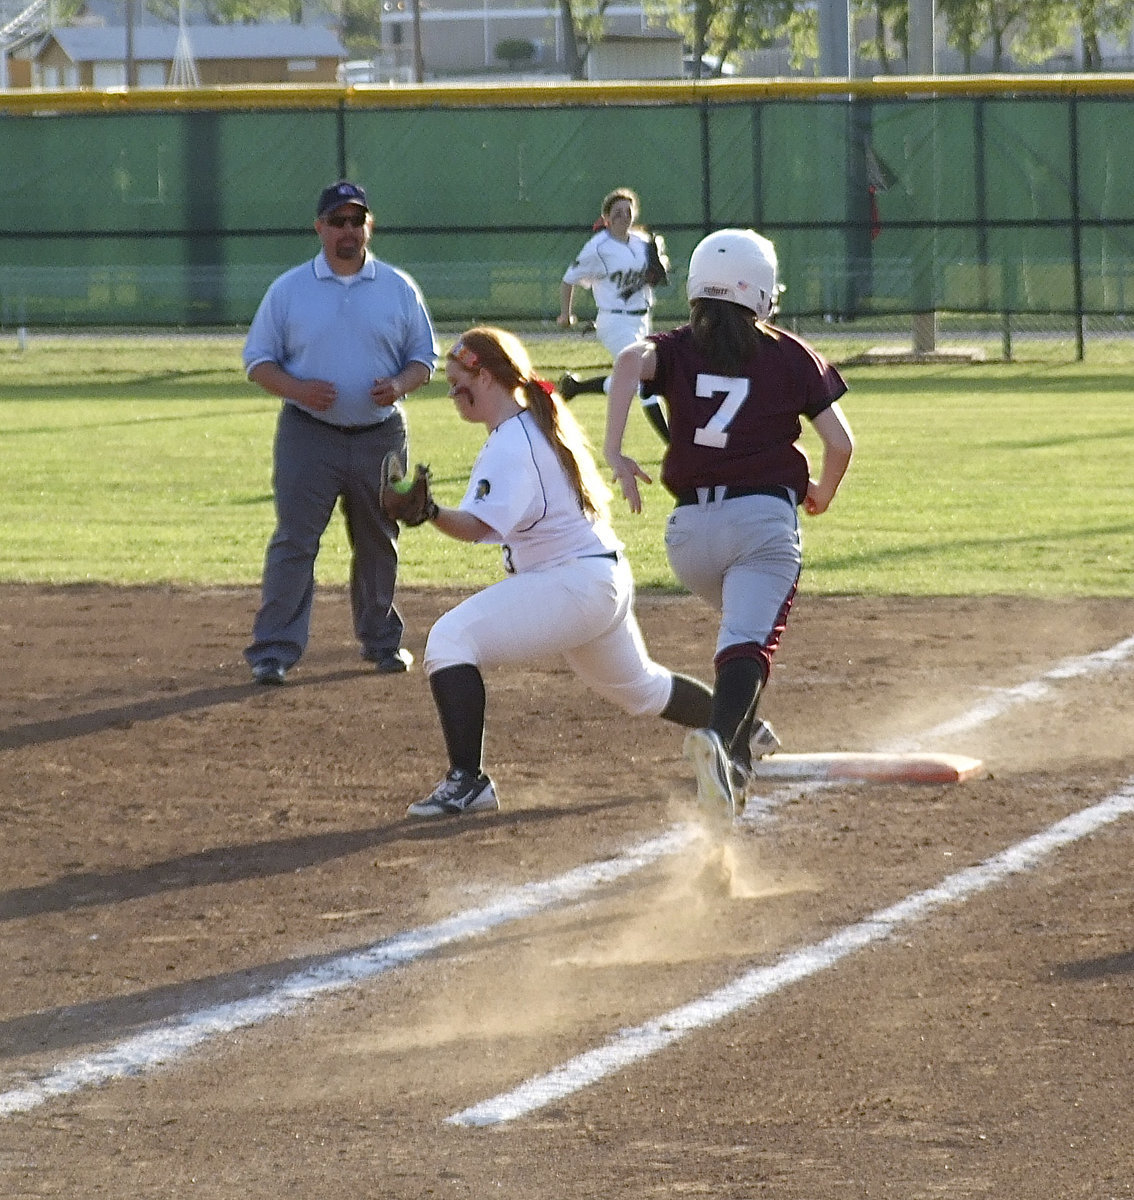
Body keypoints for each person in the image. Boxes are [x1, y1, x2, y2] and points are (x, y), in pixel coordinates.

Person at [396, 326, 715, 819]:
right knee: (641, 688)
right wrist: (431, 511)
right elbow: (489, 527)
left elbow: (479, 526)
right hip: (596, 578)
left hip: (573, 584)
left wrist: (428, 512)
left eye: (456, 378)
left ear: (483, 376)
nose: (451, 390)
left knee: (449, 640)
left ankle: (468, 781)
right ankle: (736, 725)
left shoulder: (512, 441)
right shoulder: (531, 426)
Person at [603, 228, 855, 820]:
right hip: (762, 520)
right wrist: (821, 490)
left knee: (743, 635)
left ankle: (737, 753)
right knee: (749, 639)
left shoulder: (677, 346)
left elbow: (627, 359)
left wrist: (615, 451)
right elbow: (841, 443)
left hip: (688, 535)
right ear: (762, 291)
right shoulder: (789, 352)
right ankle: (721, 742)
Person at [242, 180, 439, 685]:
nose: (348, 230)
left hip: (380, 434)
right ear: (320, 228)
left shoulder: (397, 287)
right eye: (338, 221)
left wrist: (398, 383)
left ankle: (381, 642)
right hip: (309, 433)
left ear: (369, 226)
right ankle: (274, 650)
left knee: (378, 538)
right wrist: (299, 389)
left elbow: (424, 360)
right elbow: (258, 362)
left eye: (357, 220)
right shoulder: (289, 290)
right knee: (295, 541)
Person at [556, 187, 670, 442]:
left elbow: (656, 276)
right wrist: (566, 314)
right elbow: (568, 279)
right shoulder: (598, 247)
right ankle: (671, 442)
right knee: (642, 378)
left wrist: (659, 267)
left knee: (634, 380)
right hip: (614, 320)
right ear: (606, 218)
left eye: (628, 212)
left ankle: (576, 387)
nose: (623, 217)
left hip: (642, 318)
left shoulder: (641, 242)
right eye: (617, 213)